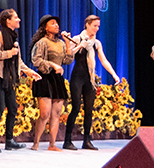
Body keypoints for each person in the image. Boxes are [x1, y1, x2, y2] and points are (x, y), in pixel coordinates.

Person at [63, 15, 120, 151]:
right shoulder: (77, 38)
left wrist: (114, 74)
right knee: (76, 108)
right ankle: (67, 140)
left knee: (89, 110)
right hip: (77, 76)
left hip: (89, 79)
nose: (97, 28)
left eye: (98, 26)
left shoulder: (96, 43)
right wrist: (80, 46)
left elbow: (103, 60)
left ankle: (87, 140)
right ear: (87, 24)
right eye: (94, 25)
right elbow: (68, 55)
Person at [0, 9, 40, 152]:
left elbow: (18, 60)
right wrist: (8, 53)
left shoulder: (14, 37)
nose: (19, 20)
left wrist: (28, 71)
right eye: (16, 17)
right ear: (8, 21)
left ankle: (9, 140)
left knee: (12, 108)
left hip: (10, 78)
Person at [29, 15, 75, 151]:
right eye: (53, 23)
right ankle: (36, 142)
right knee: (44, 114)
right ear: (45, 27)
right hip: (44, 78)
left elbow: (68, 60)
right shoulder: (42, 42)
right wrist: (53, 65)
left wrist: (67, 43)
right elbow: (36, 60)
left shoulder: (61, 43)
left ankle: (52, 144)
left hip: (57, 80)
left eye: (57, 24)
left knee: (56, 114)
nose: (56, 26)